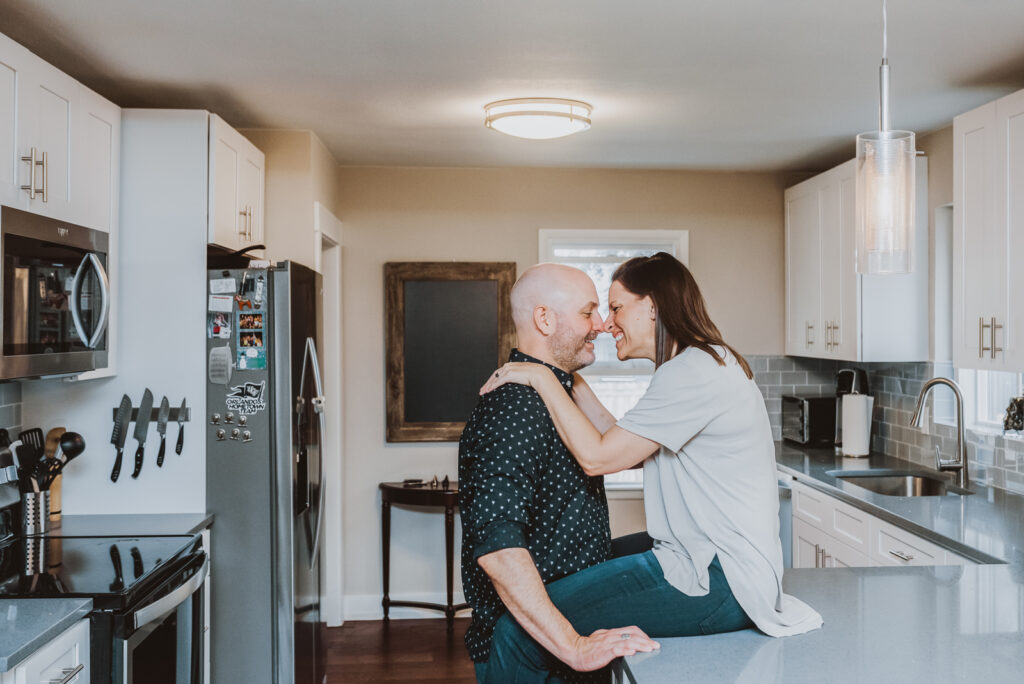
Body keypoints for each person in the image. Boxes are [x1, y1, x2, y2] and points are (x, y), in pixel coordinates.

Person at [479, 252, 823, 682]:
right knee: (578, 573)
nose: (606, 323)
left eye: (616, 307)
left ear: (653, 307)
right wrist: (568, 378)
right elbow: (629, 446)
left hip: (719, 579)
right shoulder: (699, 363)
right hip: (717, 559)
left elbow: (598, 457)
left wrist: (542, 377)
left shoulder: (693, 372)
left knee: (517, 632)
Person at [458, 263, 661, 684]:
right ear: (544, 319)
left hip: (563, 628)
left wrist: (555, 375)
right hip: (530, 649)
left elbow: (617, 445)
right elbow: (497, 548)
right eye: (589, 313)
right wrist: (574, 646)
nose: (602, 325)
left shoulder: (557, 393)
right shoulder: (513, 408)